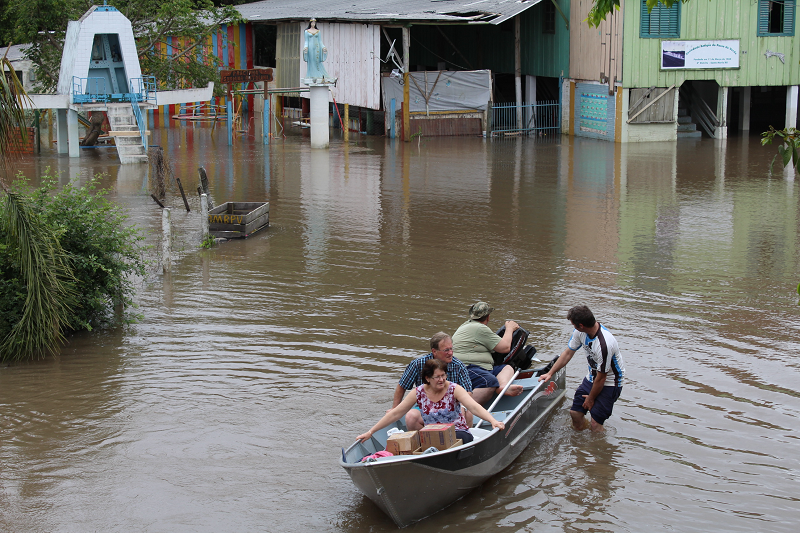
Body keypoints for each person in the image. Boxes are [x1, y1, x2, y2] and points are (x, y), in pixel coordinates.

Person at [357, 359, 505, 444]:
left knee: (450, 441)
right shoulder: (419, 392)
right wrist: (371, 432)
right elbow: (396, 413)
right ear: (427, 378)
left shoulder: (454, 389)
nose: (441, 380)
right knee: (418, 442)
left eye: (443, 375)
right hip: (432, 436)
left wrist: (493, 421)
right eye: (437, 377)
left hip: (457, 432)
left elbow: (473, 406)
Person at [538, 305, 625, 432]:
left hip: (610, 382)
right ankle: (581, 440)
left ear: (581, 325)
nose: (573, 327)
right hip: (592, 377)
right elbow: (568, 353)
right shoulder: (580, 332)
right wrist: (550, 373)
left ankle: (598, 447)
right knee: (575, 413)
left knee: (595, 423)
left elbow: (602, 379)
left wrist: (590, 398)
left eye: (573, 324)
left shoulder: (604, 344)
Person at [392, 332, 474, 429]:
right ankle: (424, 441)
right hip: (425, 406)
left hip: (452, 406)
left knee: (468, 413)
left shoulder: (458, 365)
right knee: (410, 417)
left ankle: (462, 440)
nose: (451, 353)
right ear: (434, 351)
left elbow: (468, 391)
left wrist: (463, 406)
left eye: (451, 349)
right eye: (446, 350)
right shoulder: (418, 364)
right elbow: (402, 386)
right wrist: (394, 410)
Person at [452, 301, 524, 405]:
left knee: (507, 367)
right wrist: (509, 328)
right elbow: (505, 347)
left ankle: (503, 386)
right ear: (488, 317)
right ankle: (462, 409)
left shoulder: (466, 326)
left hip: (477, 367)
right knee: (488, 382)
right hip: (468, 368)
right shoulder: (480, 328)